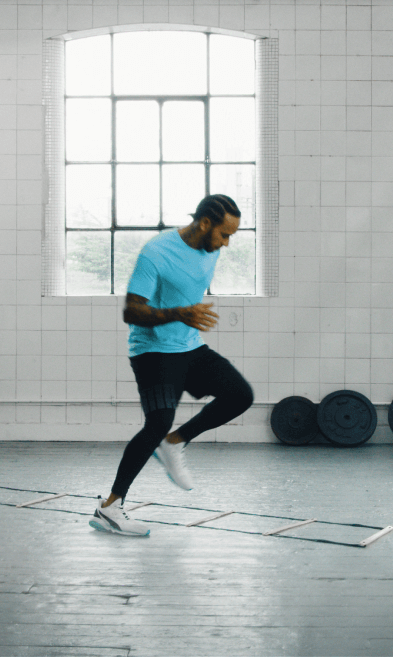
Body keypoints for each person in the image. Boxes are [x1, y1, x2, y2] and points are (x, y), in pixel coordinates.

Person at [90, 194, 255, 537]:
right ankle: (110, 508)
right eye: (224, 235)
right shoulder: (156, 253)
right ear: (205, 223)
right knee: (157, 422)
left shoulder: (209, 250)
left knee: (240, 395)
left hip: (189, 347)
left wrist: (186, 317)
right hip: (152, 350)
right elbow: (131, 312)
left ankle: (175, 442)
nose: (226, 244)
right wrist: (180, 313)